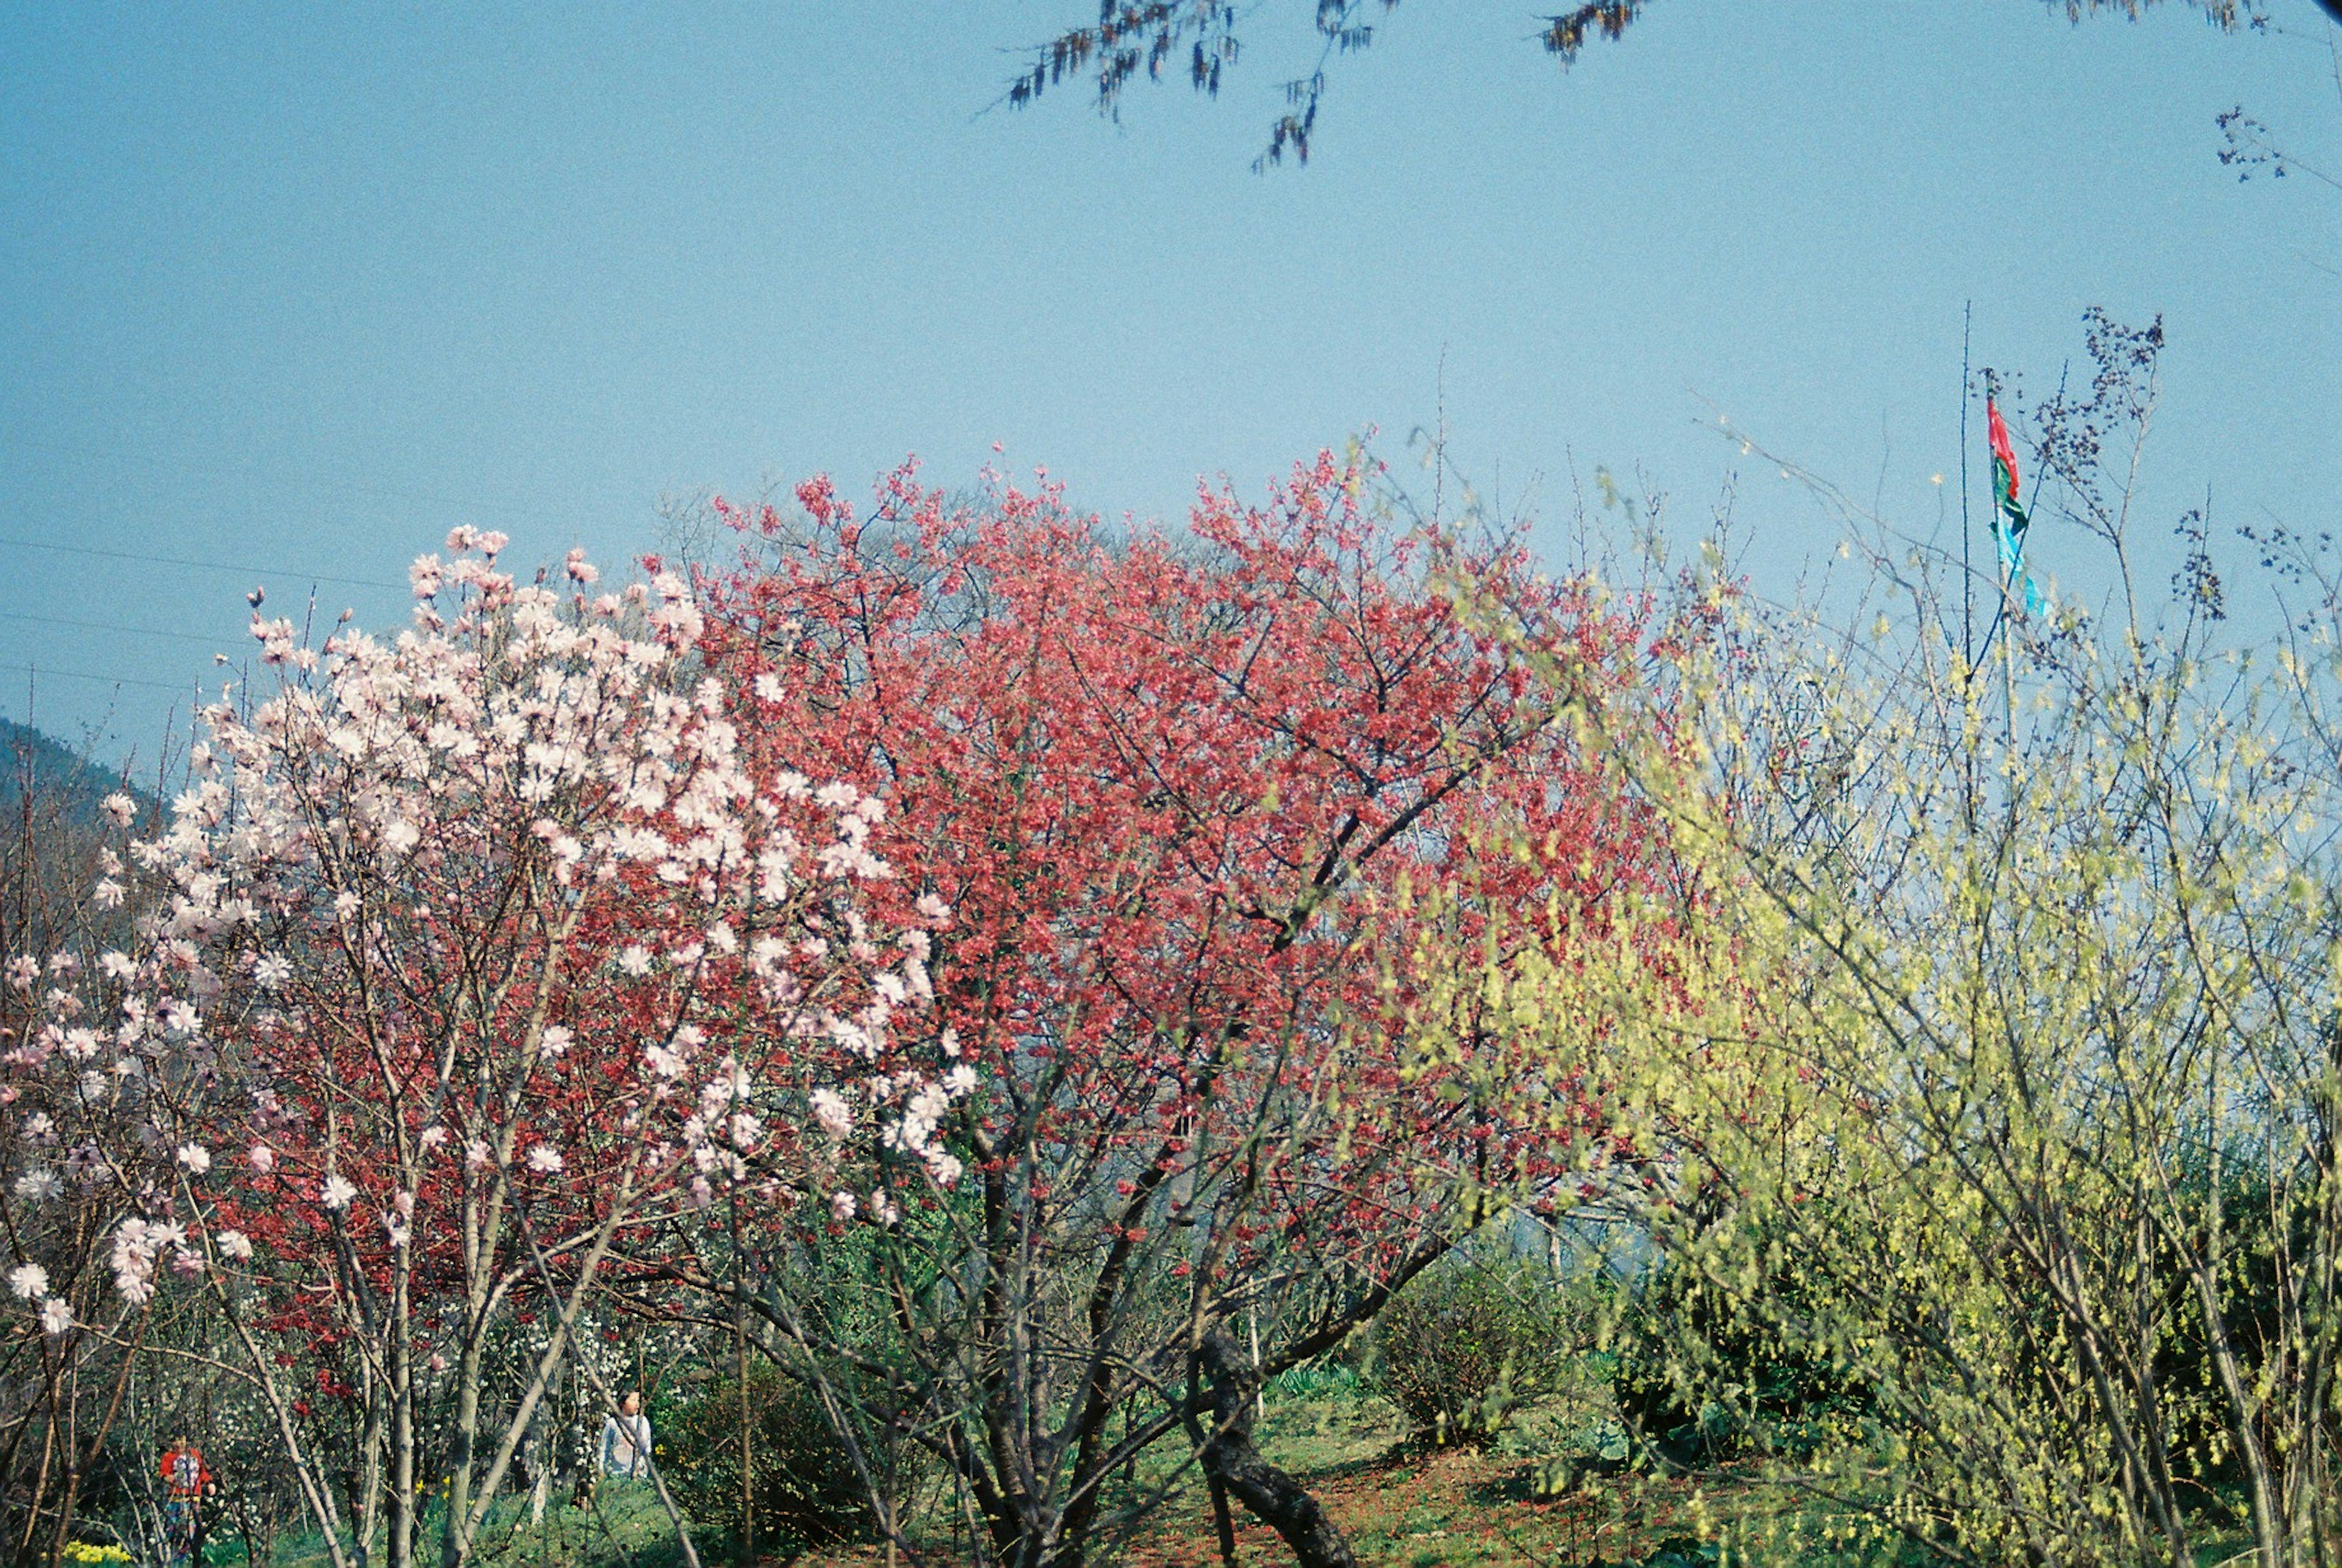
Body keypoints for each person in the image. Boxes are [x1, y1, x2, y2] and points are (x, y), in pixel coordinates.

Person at [158, 1431, 212, 1568]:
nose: (180, 1443)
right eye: (176, 1440)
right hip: (176, 1499)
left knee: (189, 1532)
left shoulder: (194, 1455)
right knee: (172, 1531)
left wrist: (209, 1483)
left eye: (182, 1440)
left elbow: (202, 1472)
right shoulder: (169, 1457)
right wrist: (168, 1478)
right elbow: (163, 1473)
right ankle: (168, 1560)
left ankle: (183, 1561)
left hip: (192, 1500)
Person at [599, 1391, 654, 1481]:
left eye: (638, 1401)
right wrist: (601, 1469)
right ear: (622, 1403)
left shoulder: (642, 1422)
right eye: (633, 1400)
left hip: (639, 1475)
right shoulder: (613, 1423)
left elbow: (647, 1447)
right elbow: (605, 1448)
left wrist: (642, 1466)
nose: (637, 1404)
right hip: (617, 1474)